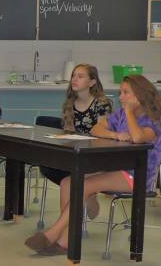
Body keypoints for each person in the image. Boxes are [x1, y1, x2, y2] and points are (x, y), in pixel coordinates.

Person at [25, 75, 161, 256]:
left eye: (126, 93)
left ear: (140, 95)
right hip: (115, 169)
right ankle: (67, 237)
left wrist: (130, 113)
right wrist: (115, 135)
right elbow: (96, 128)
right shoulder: (121, 114)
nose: (121, 97)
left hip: (138, 176)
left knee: (85, 185)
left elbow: (139, 137)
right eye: (120, 92)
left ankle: (54, 236)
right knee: (67, 183)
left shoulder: (155, 119)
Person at [39, 64, 112, 218]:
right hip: (75, 154)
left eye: (80, 76)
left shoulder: (102, 104)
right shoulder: (69, 104)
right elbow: (68, 132)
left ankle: (85, 192)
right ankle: (85, 192)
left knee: (72, 178)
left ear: (92, 82)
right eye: (73, 76)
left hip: (94, 155)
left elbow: (103, 134)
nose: (74, 79)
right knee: (47, 167)